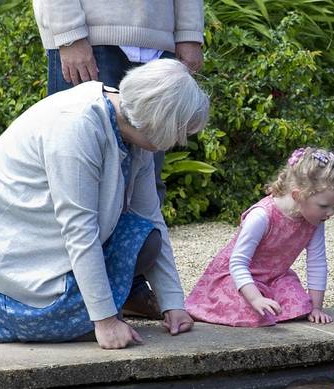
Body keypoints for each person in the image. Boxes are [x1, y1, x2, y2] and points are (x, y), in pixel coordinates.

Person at [0, 59, 210, 349]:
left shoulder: (134, 129)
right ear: (159, 123)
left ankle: (95, 310)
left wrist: (173, 304)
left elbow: (150, 216)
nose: (178, 143)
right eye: (178, 134)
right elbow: (79, 230)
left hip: (34, 237)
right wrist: (105, 321)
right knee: (81, 326)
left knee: (147, 240)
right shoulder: (76, 125)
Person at [32, 0, 205, 320]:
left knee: (146, 184)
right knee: (70, 188)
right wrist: (68, 33)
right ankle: (57, 296)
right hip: (91, 38)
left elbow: (148, 209)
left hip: (158, 40)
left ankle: (126, 289)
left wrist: (190, 32)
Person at [185, 148, 334, 327]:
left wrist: (317, 307)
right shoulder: (262, 216)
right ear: (298, 195)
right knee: (254, 312)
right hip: (237, 278)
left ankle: (270, 301)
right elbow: (237, 263)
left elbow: (317, 262)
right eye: (324, 205)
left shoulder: (315, 220)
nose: (331, 213)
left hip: (275, 277)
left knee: (301, 306)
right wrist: (256, 298)